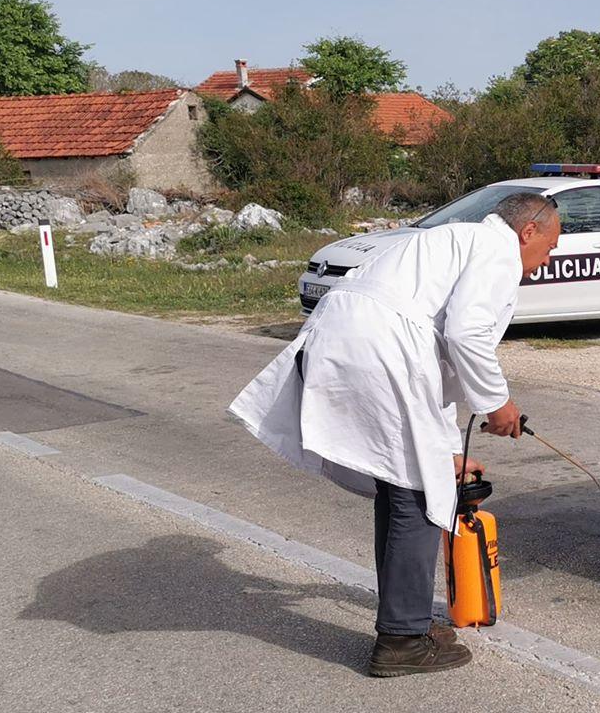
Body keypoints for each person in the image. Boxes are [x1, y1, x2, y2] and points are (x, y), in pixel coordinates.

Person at [228, 193, 561, 677]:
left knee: (399, 483)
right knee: (417, 495)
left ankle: (406, 620)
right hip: (383, 348)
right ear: (528, 231)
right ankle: (402, 639)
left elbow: (438, 371)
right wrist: (498, 404)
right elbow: (466, 335)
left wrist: (448, 451)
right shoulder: (496, 250)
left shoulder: (452, 240)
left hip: (350, 338)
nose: (546, 259)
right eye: (549, 247)